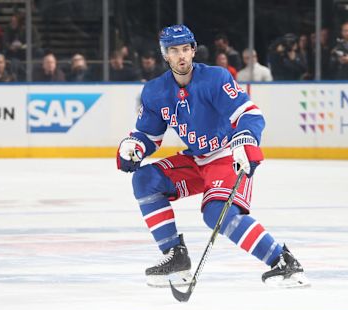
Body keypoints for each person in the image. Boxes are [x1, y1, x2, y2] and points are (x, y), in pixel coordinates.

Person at [116, 24, 309, 289]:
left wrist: (244, 140)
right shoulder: (155, 92)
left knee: (217, 213)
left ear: (194, 50)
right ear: (165, 55)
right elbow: (149, 137)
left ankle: (283, 262)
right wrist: (133, 146)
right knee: (145, 179)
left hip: (226, 155)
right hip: (196, 158)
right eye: (174, 50)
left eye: (186, 49)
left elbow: (250, 114)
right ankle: (176, 258)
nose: (181, 55)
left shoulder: (216, 79)